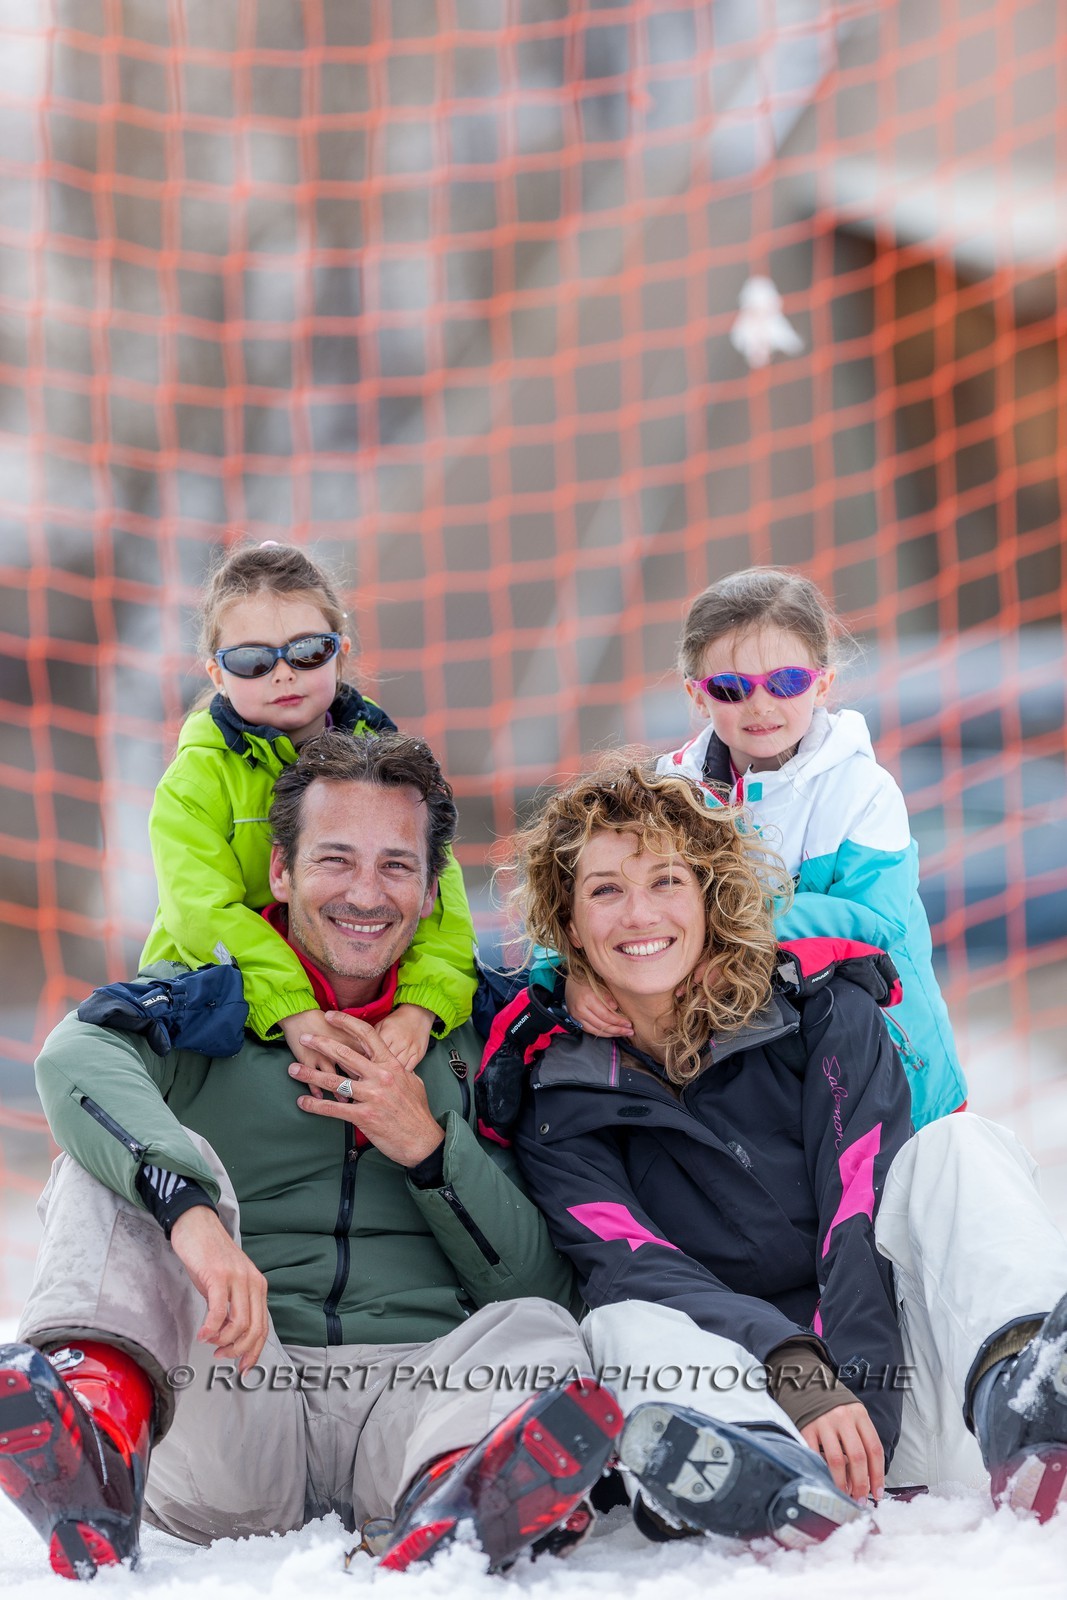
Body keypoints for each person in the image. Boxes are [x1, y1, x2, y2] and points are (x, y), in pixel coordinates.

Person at [0, 732, 622, 1581]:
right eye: (336, 860)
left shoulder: (493, 1030)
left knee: (544, 1332)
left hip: (416, 1407)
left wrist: (430, 1149)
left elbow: (538, 1287)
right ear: (283, 871)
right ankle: (95, 1441)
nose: (367, 893)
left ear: (432, 887)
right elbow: (72, 1059)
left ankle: (466, 1500)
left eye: (397, 866)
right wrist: (198, 1225)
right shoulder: (205, 1003)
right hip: (235, 1389)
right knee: (105, 1161)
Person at [477, 757, 1067, 1547]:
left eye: (665, 882)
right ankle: (759, 1482)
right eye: (605, 890)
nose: (637, 914)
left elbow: (856, 1210)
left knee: (956, 1147)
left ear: (710, 895)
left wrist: (852, 1396)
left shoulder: (817, 1011)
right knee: (621, 1315)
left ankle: (1026, 1396)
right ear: (570, 921)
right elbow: (632, 1259)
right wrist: (793, 1373)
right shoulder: (556, 1093)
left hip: (908, 1388)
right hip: (760, 1401)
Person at [560, 566, 964, 1128]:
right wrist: (569, 972)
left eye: (786, 682)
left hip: (894, 1069)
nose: (760, 705)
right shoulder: (668, 792)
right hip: (763, 1079)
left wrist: (725, 927)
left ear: (822, 683)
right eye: (731, 687)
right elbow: (575, 896)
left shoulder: (860, 792)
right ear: (697, 697)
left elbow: (878, 926)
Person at [139, 541, 477, 1073]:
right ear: (217, 674)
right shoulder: (195, 780)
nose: (282, 673)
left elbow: (439, 896)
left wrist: (419, 1006)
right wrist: (291, 1008)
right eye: (252, 659)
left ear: (340, 651)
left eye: (306, 651)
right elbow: (201, 912)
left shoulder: (389, 768)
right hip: (221, 999)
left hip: (350, 990)